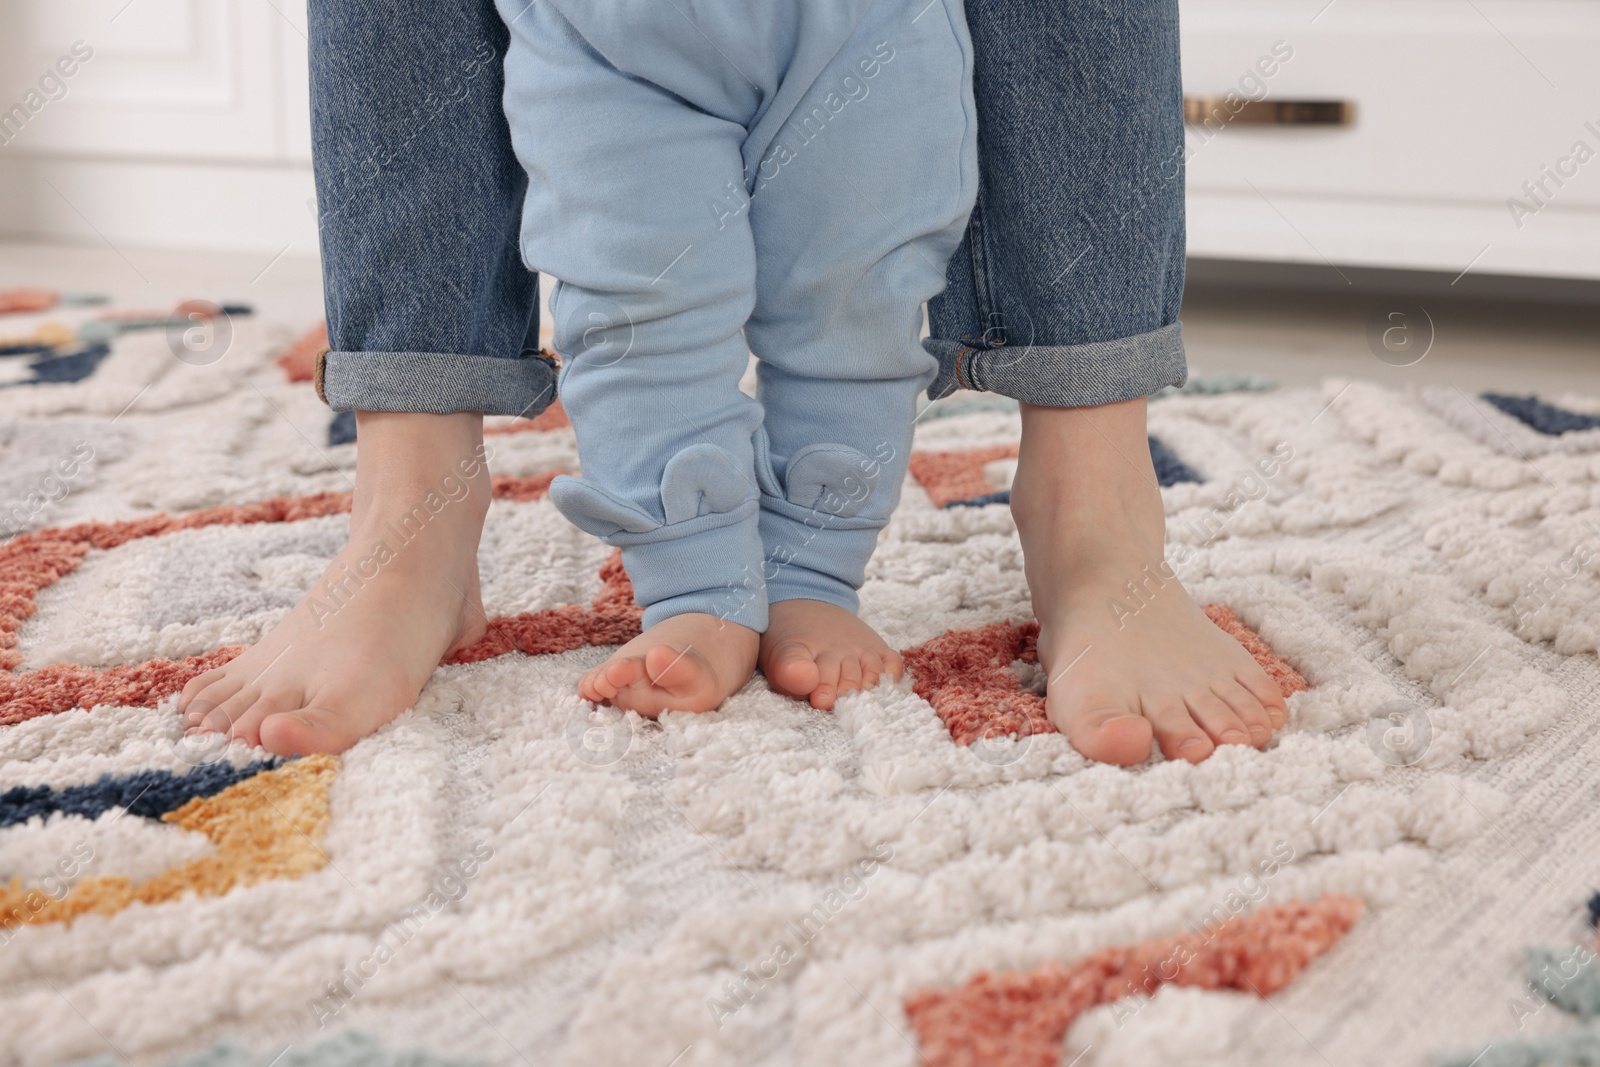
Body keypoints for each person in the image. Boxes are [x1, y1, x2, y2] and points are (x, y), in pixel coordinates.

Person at [180, 0, 1286, 766]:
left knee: (854, 293)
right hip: (603, 32)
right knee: (632, 296)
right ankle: (643, 572)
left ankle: (1021, 524)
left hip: (861, 29)